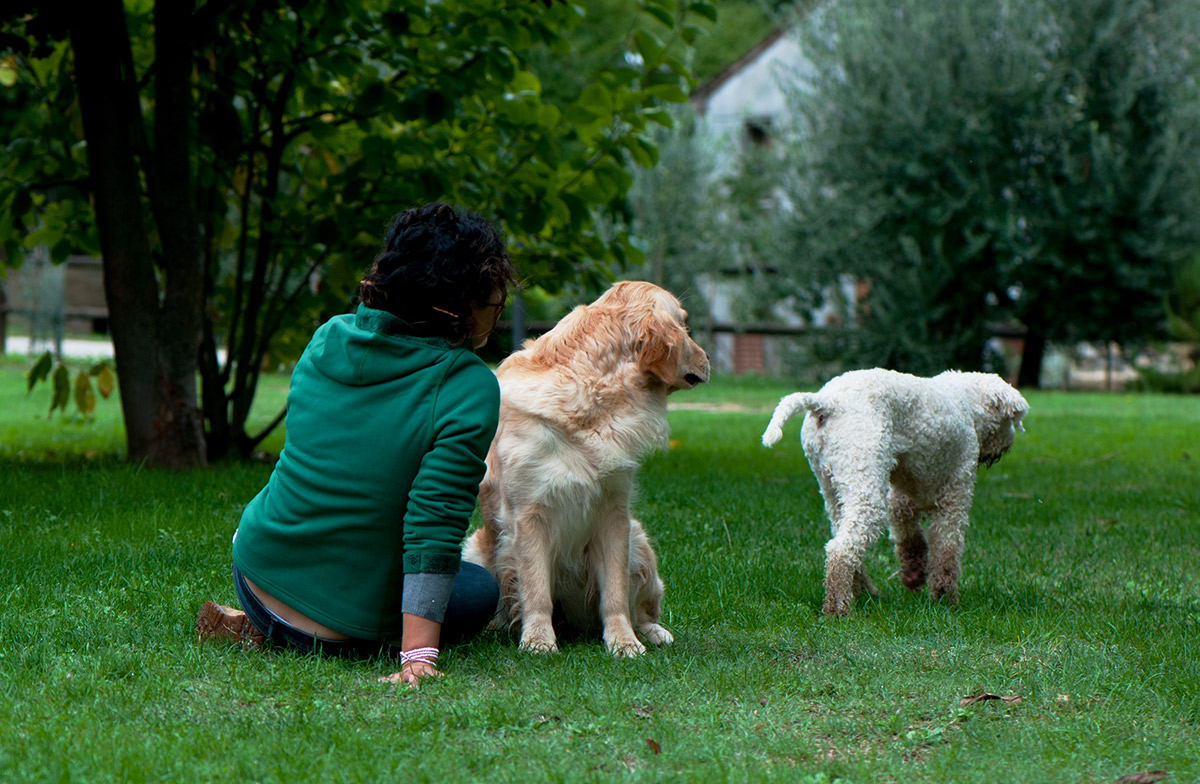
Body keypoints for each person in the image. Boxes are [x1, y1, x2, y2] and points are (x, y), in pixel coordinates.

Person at [196, 203, 517, 687]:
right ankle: (319, 627)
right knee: (478, 589)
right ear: (465, 302)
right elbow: (434, 523)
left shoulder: (327, 337)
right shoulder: (466, 384)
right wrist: (418, 656)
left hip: (257, 577)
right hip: (343, 627)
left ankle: (264, 627)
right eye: (495, 302)